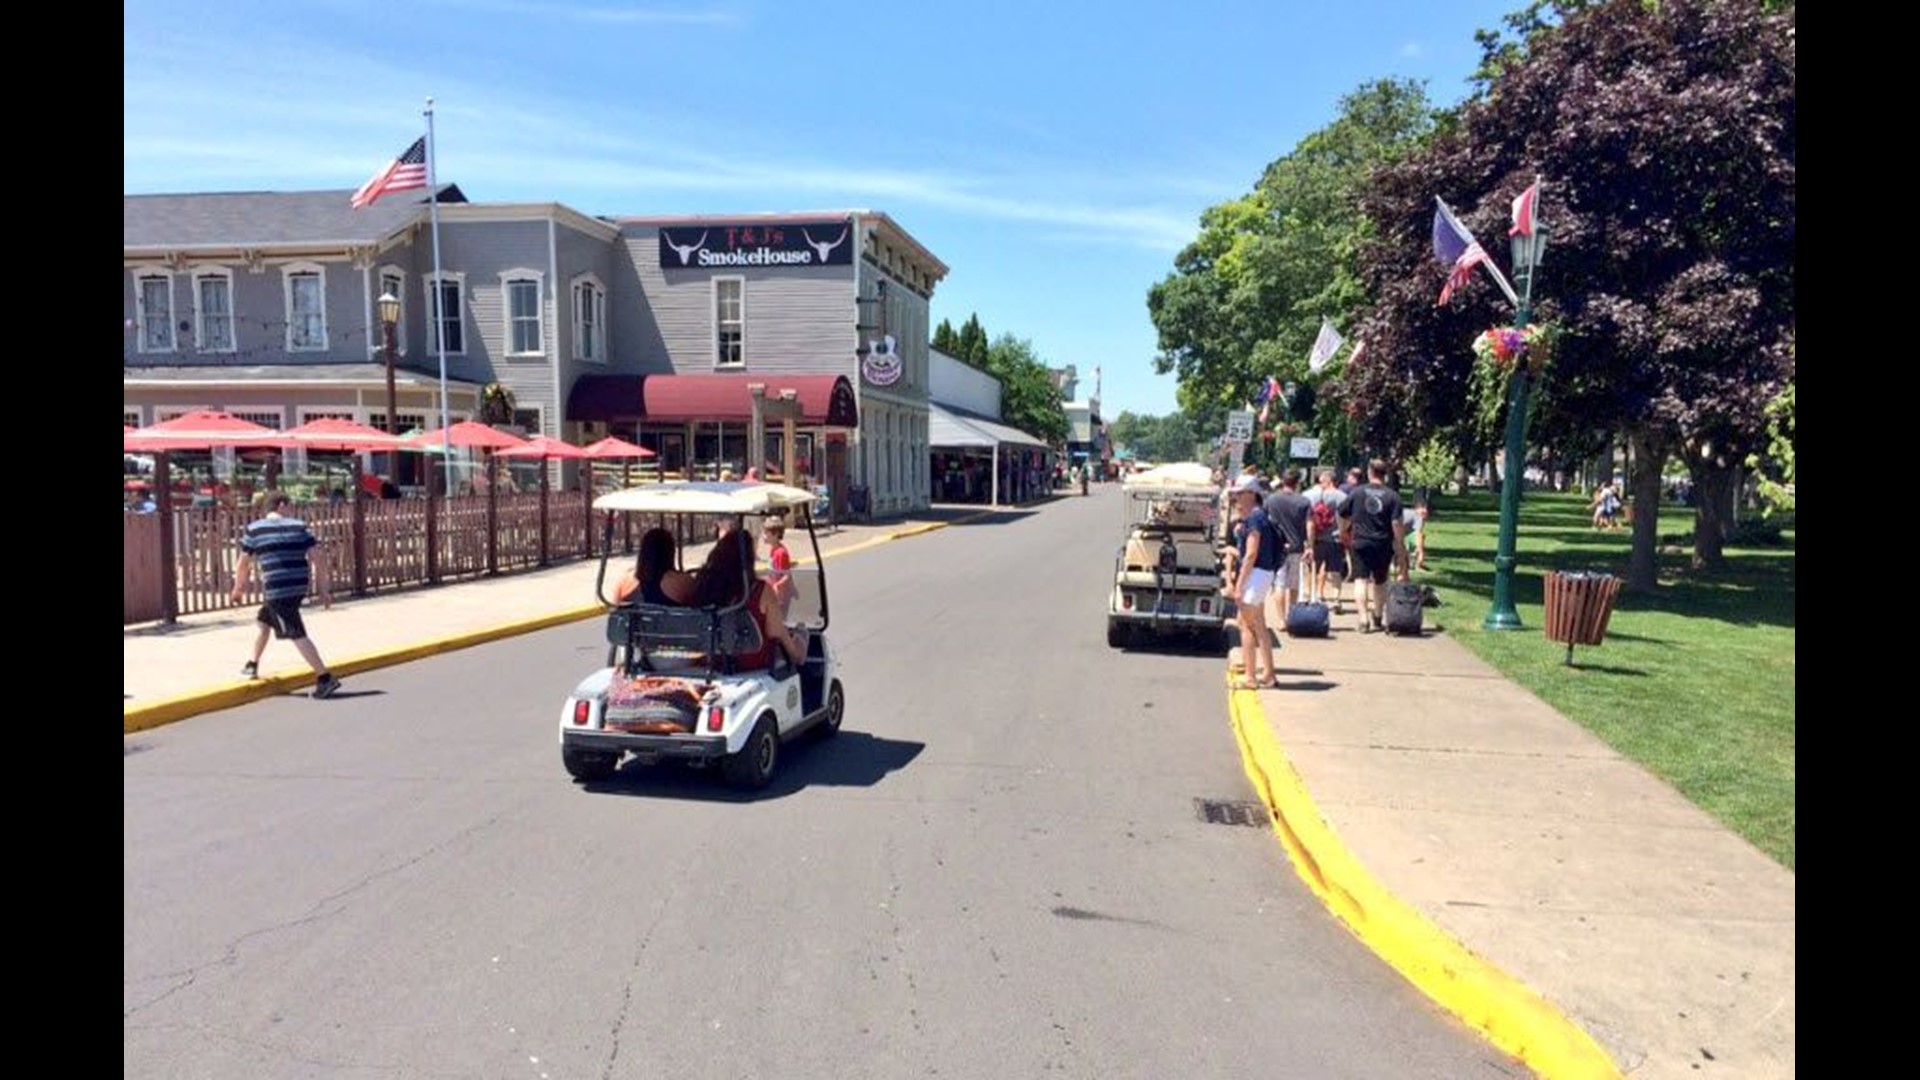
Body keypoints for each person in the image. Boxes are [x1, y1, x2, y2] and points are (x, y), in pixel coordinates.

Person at [230, 492, 341, 698]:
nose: (292, 510)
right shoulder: (300, 526)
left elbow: (243, 563)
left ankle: (325, 678)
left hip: (277, 588)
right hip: (298, 586)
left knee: (295, 632)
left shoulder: (255, 530)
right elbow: (318, 559)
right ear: (281, 505)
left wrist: (238, 589)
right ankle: (252, 663)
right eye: (290, 506)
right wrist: (324, 589)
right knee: (264, 622)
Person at [688, 529, 808, 668]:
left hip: (711, 663)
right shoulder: (760, 590)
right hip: (751, 666)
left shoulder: (702, 585)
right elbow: (776, 631)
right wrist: (797, 647)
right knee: (802, 636)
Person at [1338, 459, 1409, 634]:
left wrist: (1343, 530)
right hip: (1383, 543)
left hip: (1360, 541)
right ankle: (1377, 616)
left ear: (1370, 472)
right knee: (1380, 581)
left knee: (1360, 580)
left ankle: (1363, 620)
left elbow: (1341, 512)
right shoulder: (1393, 496)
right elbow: (1396, 523)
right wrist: (1399, 544)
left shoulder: (1357, 493)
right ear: (1385, 474)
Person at [1226, 474, 1280, 689]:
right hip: (1263, 573)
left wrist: (1238, 585)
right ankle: (1268, 673)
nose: (1236, 498)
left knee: (1246, 626)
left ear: (1251, 494)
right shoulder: (1260, 516)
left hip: (1255, 574)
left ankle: (1251, 677)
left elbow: (1251, 553)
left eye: (1239, 494)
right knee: (1258, 625)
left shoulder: (1254, 519)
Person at [1262, 467, 1312, 618]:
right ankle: (1292, 615)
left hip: (1276, 548)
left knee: (1279, 584)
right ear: (1298, 483)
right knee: (1294, 584)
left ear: (1283, 481)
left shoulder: (1271, 500)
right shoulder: (1304, 501)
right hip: (1296, 547)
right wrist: (1309, 545)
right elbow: (1310, 524)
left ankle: (1281, 619)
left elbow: (1264, 520)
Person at [613, 527, 696, 606]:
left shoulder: (625, 581)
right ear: (670, 553)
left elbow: (616, 609)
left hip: (637, 620)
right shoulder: (682, 582)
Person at [1304, 469, 1348, 613]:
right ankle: (1336, 600)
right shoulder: (1342, 497)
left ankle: (1313, 596)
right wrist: (1343, 531)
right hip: (1335, 539)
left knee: (1313, 569)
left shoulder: (1309, 495)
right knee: (1335, 571)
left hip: (1316, 538)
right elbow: (1348, 517)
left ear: (1327, 480)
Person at [761, 516, 795, 603]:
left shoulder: (781, 553)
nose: (763, 536)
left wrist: (777, 585)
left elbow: (786, 575)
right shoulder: (774, 550)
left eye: (766, 533)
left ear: (775, 534)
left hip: (779, 596)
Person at [1402, 502, 1430, 571]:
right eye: (1423, 509)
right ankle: (1418, 565)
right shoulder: (1418, 517)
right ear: (1417, 509)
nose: (1425, 511)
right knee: (1419, 547)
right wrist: (1421, 550)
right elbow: (1418, 535)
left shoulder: (1408, 512)